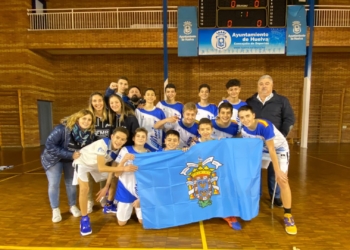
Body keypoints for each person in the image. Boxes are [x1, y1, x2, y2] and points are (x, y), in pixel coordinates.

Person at [238, 105, 297, 235]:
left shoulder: (264, 125)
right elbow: (249, 148)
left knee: (282, 180)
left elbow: (271, 149)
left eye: (247, 116)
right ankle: (248, 204)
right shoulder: (244, 130)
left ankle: (288, 216)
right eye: (242, 117)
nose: (245, 119)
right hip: (261, 152)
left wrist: (277, 171)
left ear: (253, 115)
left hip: (278, 150)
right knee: (246, 175)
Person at [72, 127, 137, 236]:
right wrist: (123, 168)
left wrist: (106, 186)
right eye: (117, 138)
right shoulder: (102, 145)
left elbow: (113, 170)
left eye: (122, 139)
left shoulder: (119, 150)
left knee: (117, 176)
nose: (119, 141)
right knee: (84, 189)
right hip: (82, 162)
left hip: (94, 166)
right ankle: (84, 219)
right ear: (112, 137)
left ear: (125, 141)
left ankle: (109, 205)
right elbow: (102, 167)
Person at [246, 75, 295, 207]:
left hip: (273, 142)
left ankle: (277, 196)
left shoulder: (282, 101)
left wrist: (281, 135)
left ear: (272, 86)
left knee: (275, 170)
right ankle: (257, 195)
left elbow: (289, 119)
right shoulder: (250, 101)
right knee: (256, 170)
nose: (264, 86)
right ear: (257, 86)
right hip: (256, 144)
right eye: (261, 83)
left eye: (267, 83)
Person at [41, 109, 95, 223]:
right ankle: (55, 209)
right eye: (84, 118)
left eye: (89, 119)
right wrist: (70, 154)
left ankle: (72, 206)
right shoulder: (62, 129)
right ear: (77, 119)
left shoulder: (89, 133)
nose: (86, 121)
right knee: (54, 184)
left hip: (71, 160)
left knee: (71, 183)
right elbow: (49, 145)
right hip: (53, 159)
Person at [192, 118, 241, 230]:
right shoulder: (194, 144)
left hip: (216, 173)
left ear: (212, 129)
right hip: (202, 175)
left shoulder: (217, 142)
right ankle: (203, 212)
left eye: (207, 129)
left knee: (225, 190)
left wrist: (223, 145)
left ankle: (229, 216)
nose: (205, 131)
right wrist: (186, 149)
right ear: (198, 131)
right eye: (202, 129)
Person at [115, 128, 149, 226]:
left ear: (146, 140)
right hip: (125, 188)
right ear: (133, 138)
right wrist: (123, 160)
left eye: (143, 137)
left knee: (142, 222)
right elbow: (116, 174)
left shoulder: (149, 154)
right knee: (122, 223)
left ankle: (137, 207)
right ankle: (128, 207)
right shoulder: (125, 150)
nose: (140, 138)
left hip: (141, 190)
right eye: (138, 136)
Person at [87, 92, 111, 212]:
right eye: (95, 101)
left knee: (104, 175)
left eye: (100, 100)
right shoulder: (89, 117)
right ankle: (89, 200)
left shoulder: (109, 116)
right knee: (89, 177)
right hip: (91, 151)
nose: (98, 103)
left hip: (105, 151)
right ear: (91, 103)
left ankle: (103, 197)